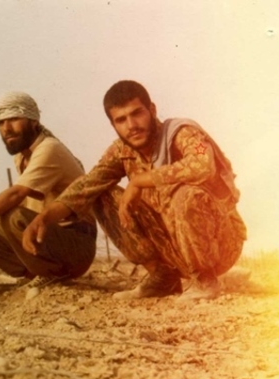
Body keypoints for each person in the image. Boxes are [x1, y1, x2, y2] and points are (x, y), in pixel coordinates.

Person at [23, 80, 246, 301]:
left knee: (186, 196)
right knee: (102, 194)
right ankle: (162, 277)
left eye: (137, 113)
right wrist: (45, 217)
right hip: (172, 244)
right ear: (113, 125)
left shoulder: (182, 132)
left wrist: (140, 181)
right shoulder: (121, 150)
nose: (131, 125)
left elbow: (202, 164)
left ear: (152, 110)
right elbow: (87, 185)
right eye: (121, 120)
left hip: (221, 243)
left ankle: (204, 281)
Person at [0, 91, 96, 297]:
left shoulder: (49, 148)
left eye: (13, 119)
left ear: (33, 121)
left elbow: (16, 195)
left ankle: (50, 273)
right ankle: (34, 274)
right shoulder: (22, 157)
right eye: (0, 122)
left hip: (77, 243)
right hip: (49, 236)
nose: (6, 128)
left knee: (11, 216)